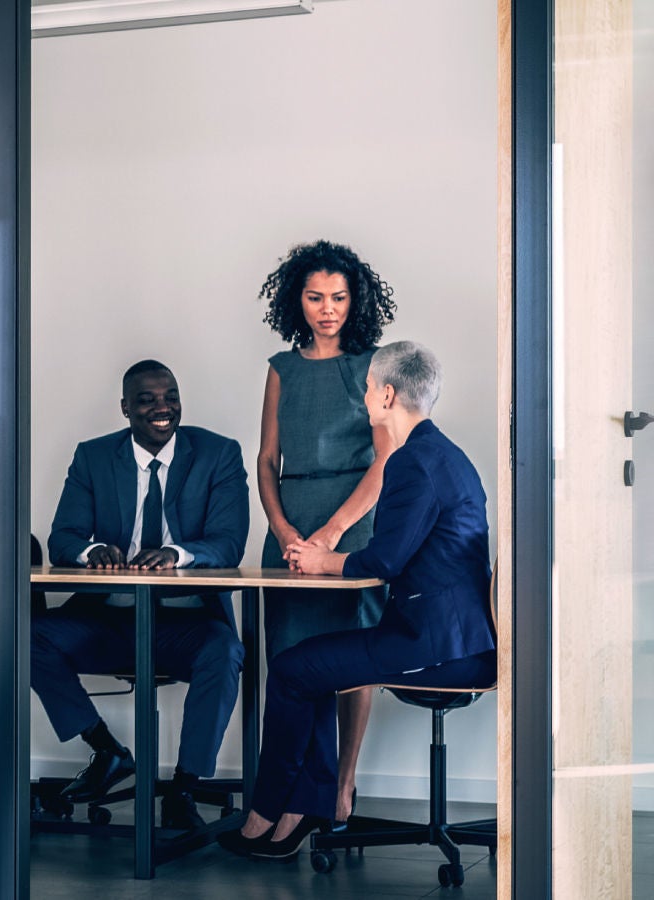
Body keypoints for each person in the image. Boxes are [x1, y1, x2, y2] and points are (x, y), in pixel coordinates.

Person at [219, 341, 495, 862]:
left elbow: (385, 561)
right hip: (451, 635)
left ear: (387, 395)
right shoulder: (439, 454)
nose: (365, 395)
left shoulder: (414, 463)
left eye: (369, 387)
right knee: (310, 664)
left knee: (294, 669)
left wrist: (325, 560)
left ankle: (271, 811)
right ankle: (298, 807)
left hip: (437, 646)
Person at [37, 360, 249, 830]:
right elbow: (63, 537)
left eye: (170, 396)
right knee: (29, 637)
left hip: (184, 624)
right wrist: (92, 551)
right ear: (125, 408)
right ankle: (107, 752)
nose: (162, 408)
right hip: (112, 619)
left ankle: (185, 786)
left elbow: (228, 542)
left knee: (225, 651)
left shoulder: (218, 454)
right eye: (148, 399)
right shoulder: (93, 457)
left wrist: (177, 553)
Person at [255, 239, 396, 825]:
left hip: (353, 528)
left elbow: (386, 462)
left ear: (354, 299)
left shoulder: (374, 367)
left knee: (347, 664)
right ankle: (291, 797)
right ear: (298, 301)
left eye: (338, 297)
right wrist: (287, 529)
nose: (328, 308)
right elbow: (266, 461)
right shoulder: (281, 369)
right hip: (289, 532)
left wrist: (332, 533)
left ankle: (342, 785)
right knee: (288, 664)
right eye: (315, 297)